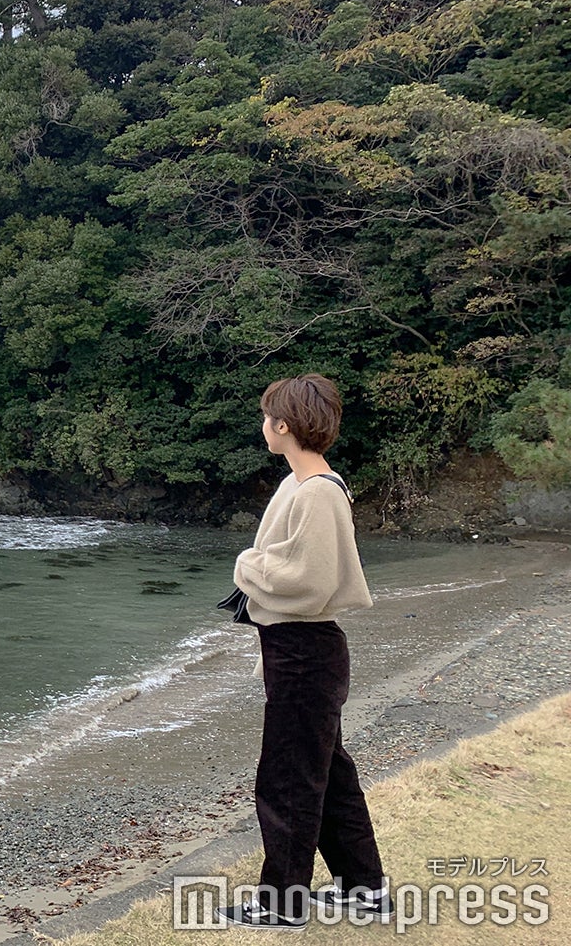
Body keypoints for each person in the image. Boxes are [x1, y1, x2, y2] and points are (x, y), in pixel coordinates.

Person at [218, 373, 389, 930]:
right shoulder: (302, 483)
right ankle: (365, 890)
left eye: (268, 416)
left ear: (283, 425)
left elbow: (309, 581)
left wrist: (246, 565)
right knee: (327, 771)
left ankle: (282, 902)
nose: (264, 425)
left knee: (289, 777)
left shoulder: (316, 490)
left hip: (304, 650)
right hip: (300, 648)